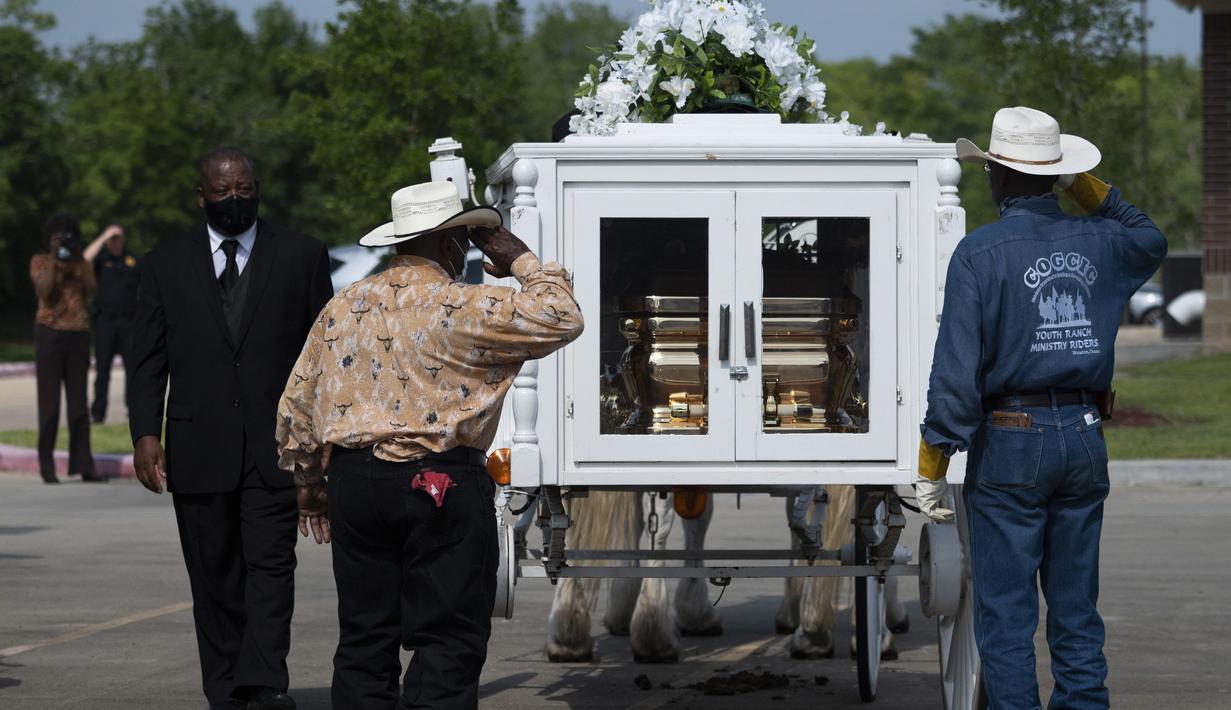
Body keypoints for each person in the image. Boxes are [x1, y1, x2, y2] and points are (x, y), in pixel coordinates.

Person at [276, 181, 584, 710]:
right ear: (450, 244)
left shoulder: (343, 306)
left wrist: (308, 483)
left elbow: (295, 408)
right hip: (440, 482)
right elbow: (562, 315)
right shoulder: (465, 305)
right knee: (448, 638)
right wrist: (523, 261)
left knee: (365, 638)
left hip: (356, 483)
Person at [915, 107, 1167, 709]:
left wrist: (932, 459)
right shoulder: (1103, 241)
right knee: (1076, 609)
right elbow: (1151, 237)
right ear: (1056, 176)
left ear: (998, 176)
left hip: (1010, 437)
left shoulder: (979, 253)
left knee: (1006, 615)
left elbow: (956, 373)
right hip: (1083, 432)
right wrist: (1087, 189)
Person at [127, 147, 332, 710]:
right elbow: (147, 360)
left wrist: (323, 439)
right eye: (222, 191)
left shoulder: (302, 255)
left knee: (271, 570)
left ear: (257, 189)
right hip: (199, 445)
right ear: (202, 197)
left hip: (278, 448)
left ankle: (263, 684)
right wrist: (145, 433)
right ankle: (225, 689)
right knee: (213, 573)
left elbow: (324, 357)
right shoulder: (163, 265)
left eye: (243, 189)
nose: (234, 199)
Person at [29, 213, 105, 484]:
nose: (62, 241)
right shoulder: (40, 261)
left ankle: (84, 465)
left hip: (78, 335)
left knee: (79, 406)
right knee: (49, 406)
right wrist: (54, 258)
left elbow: (92, 289)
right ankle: (46, 466)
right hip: (49, 334)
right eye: (57, 237)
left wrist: (79, 258)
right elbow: (45, 291)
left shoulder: (80, 262)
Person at [83, 222, 137, 423]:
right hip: (105, 322)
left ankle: (134, 410)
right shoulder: (101, 261)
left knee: (133, 369)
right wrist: (103, 237)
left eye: (118, 238)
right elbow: (85, 258)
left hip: (129, 322)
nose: (115, 242)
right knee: (102, 370)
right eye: (112, 239)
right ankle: (98, 413)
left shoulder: (133, 260)